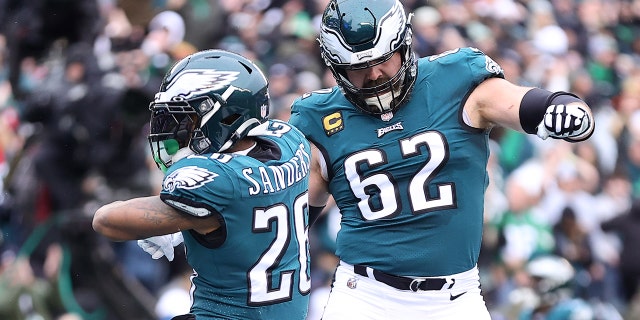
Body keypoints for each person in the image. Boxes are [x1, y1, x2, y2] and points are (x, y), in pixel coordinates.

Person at [287, 0, 596, 318]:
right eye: (357, 66)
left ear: (404, 45)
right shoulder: (318, 117)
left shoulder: (457, 78)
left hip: (456, 296)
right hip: (365, 296)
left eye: (383, 59)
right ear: (336, 67)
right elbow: (291, 219)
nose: (374, 73)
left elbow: (519, 102)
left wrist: (560, 107)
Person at [92, 49, 312, 319]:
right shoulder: (291, 142)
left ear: (225, 116)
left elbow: (104, 221)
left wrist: (174, 217)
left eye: (185, 119)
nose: (174, 130)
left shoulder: (219, 181)